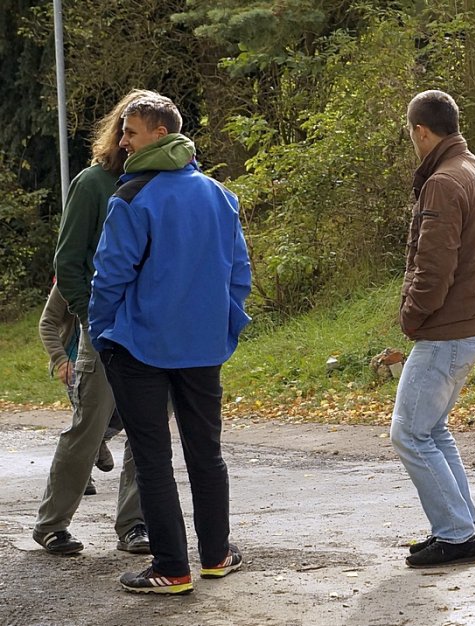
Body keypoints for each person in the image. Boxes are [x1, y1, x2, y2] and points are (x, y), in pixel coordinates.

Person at [88, 93, 252, 595]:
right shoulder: (220, 195)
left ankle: (171, 568)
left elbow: (109, 275)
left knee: (152, 459)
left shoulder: (132, 196)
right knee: (206, 454)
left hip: (139, 347)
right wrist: (225, 327)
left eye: (130, 132)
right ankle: (217, 555)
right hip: (203, 347)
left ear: (160, 134)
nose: (123, 141)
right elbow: (239, 275)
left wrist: (102, 331)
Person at [33, 90, 156, 556]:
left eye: (134, 132)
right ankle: (52, 524)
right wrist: (90, 318)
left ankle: (134, 525)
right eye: (123, 131)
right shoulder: (92, 183)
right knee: (88, 429)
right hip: (103, 327)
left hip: (153, 330)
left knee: (147, 432)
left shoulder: (163, 183)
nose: (126, 141)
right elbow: (68, 262)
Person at [390, 90, 475, 568]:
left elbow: (434, 268)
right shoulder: (473, 169)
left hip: (447, 327)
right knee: (432, 429)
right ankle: (460, 525)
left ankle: (456, 534)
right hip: (469, 321)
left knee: (409, 434)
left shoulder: (443, 182)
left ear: (421, 131)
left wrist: (412, 316)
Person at [38, 282, 119, 496]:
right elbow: (47, 323)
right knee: (87, 421)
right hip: (76, 363)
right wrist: (61, 360)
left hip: (113, 359)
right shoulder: (67, 282)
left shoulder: (117, 275)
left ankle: (99, 440)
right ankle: (82, 477)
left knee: (119, 414)